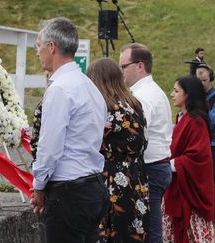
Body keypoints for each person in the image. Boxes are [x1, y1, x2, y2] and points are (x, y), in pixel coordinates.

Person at [30, 17, 109, 243]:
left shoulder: (60, 90)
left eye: (39, 46)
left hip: (69, 192)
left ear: (51, 47)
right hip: (92, 186)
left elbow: (50, 147)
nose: (38, 53)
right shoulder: (89, 86)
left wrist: (39, 186)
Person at [86, 58, 150, 242]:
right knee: (134, 230)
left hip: (112, 176)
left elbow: (89, 142)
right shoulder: (134, 103)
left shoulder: (105, 107)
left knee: (111, 231)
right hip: (137, 175)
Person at [119, 43, 172, 243]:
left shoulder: (144, 95)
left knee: (149, 230)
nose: (121, 72)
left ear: (140, 66)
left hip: (151, 167)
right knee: (147, 227)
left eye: (124, 66)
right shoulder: (149, 90)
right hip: (157, 164)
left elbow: (136, 135)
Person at [163, 75, 215, 242]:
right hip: (177, 185)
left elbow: (199, 157)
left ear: (188, 95)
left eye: (177, 91)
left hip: (189, 191)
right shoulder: (183, 117)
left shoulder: (196, 121)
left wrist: (171, 163)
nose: (172, 94)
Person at [196, 63, 215, 179]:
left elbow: (211, 120)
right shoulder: (196, 97)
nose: (202, 84)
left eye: (204, 80)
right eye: (199, 81)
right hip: (200, 145)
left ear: (210, 79)